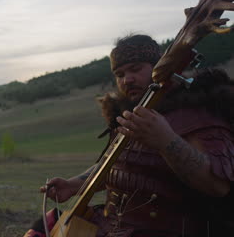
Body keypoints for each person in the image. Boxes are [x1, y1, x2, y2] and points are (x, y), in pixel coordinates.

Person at [24, 34, 234, 237]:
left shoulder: (198, 112)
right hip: (113, 226)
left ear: (161, 67)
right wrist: (73, 185)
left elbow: (218, 185)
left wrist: (165, 140)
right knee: (45, 226)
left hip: (166, 231)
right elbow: (119, 164)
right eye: (120, 74)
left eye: (135, 69)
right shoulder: (133, 112)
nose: (127, 80)